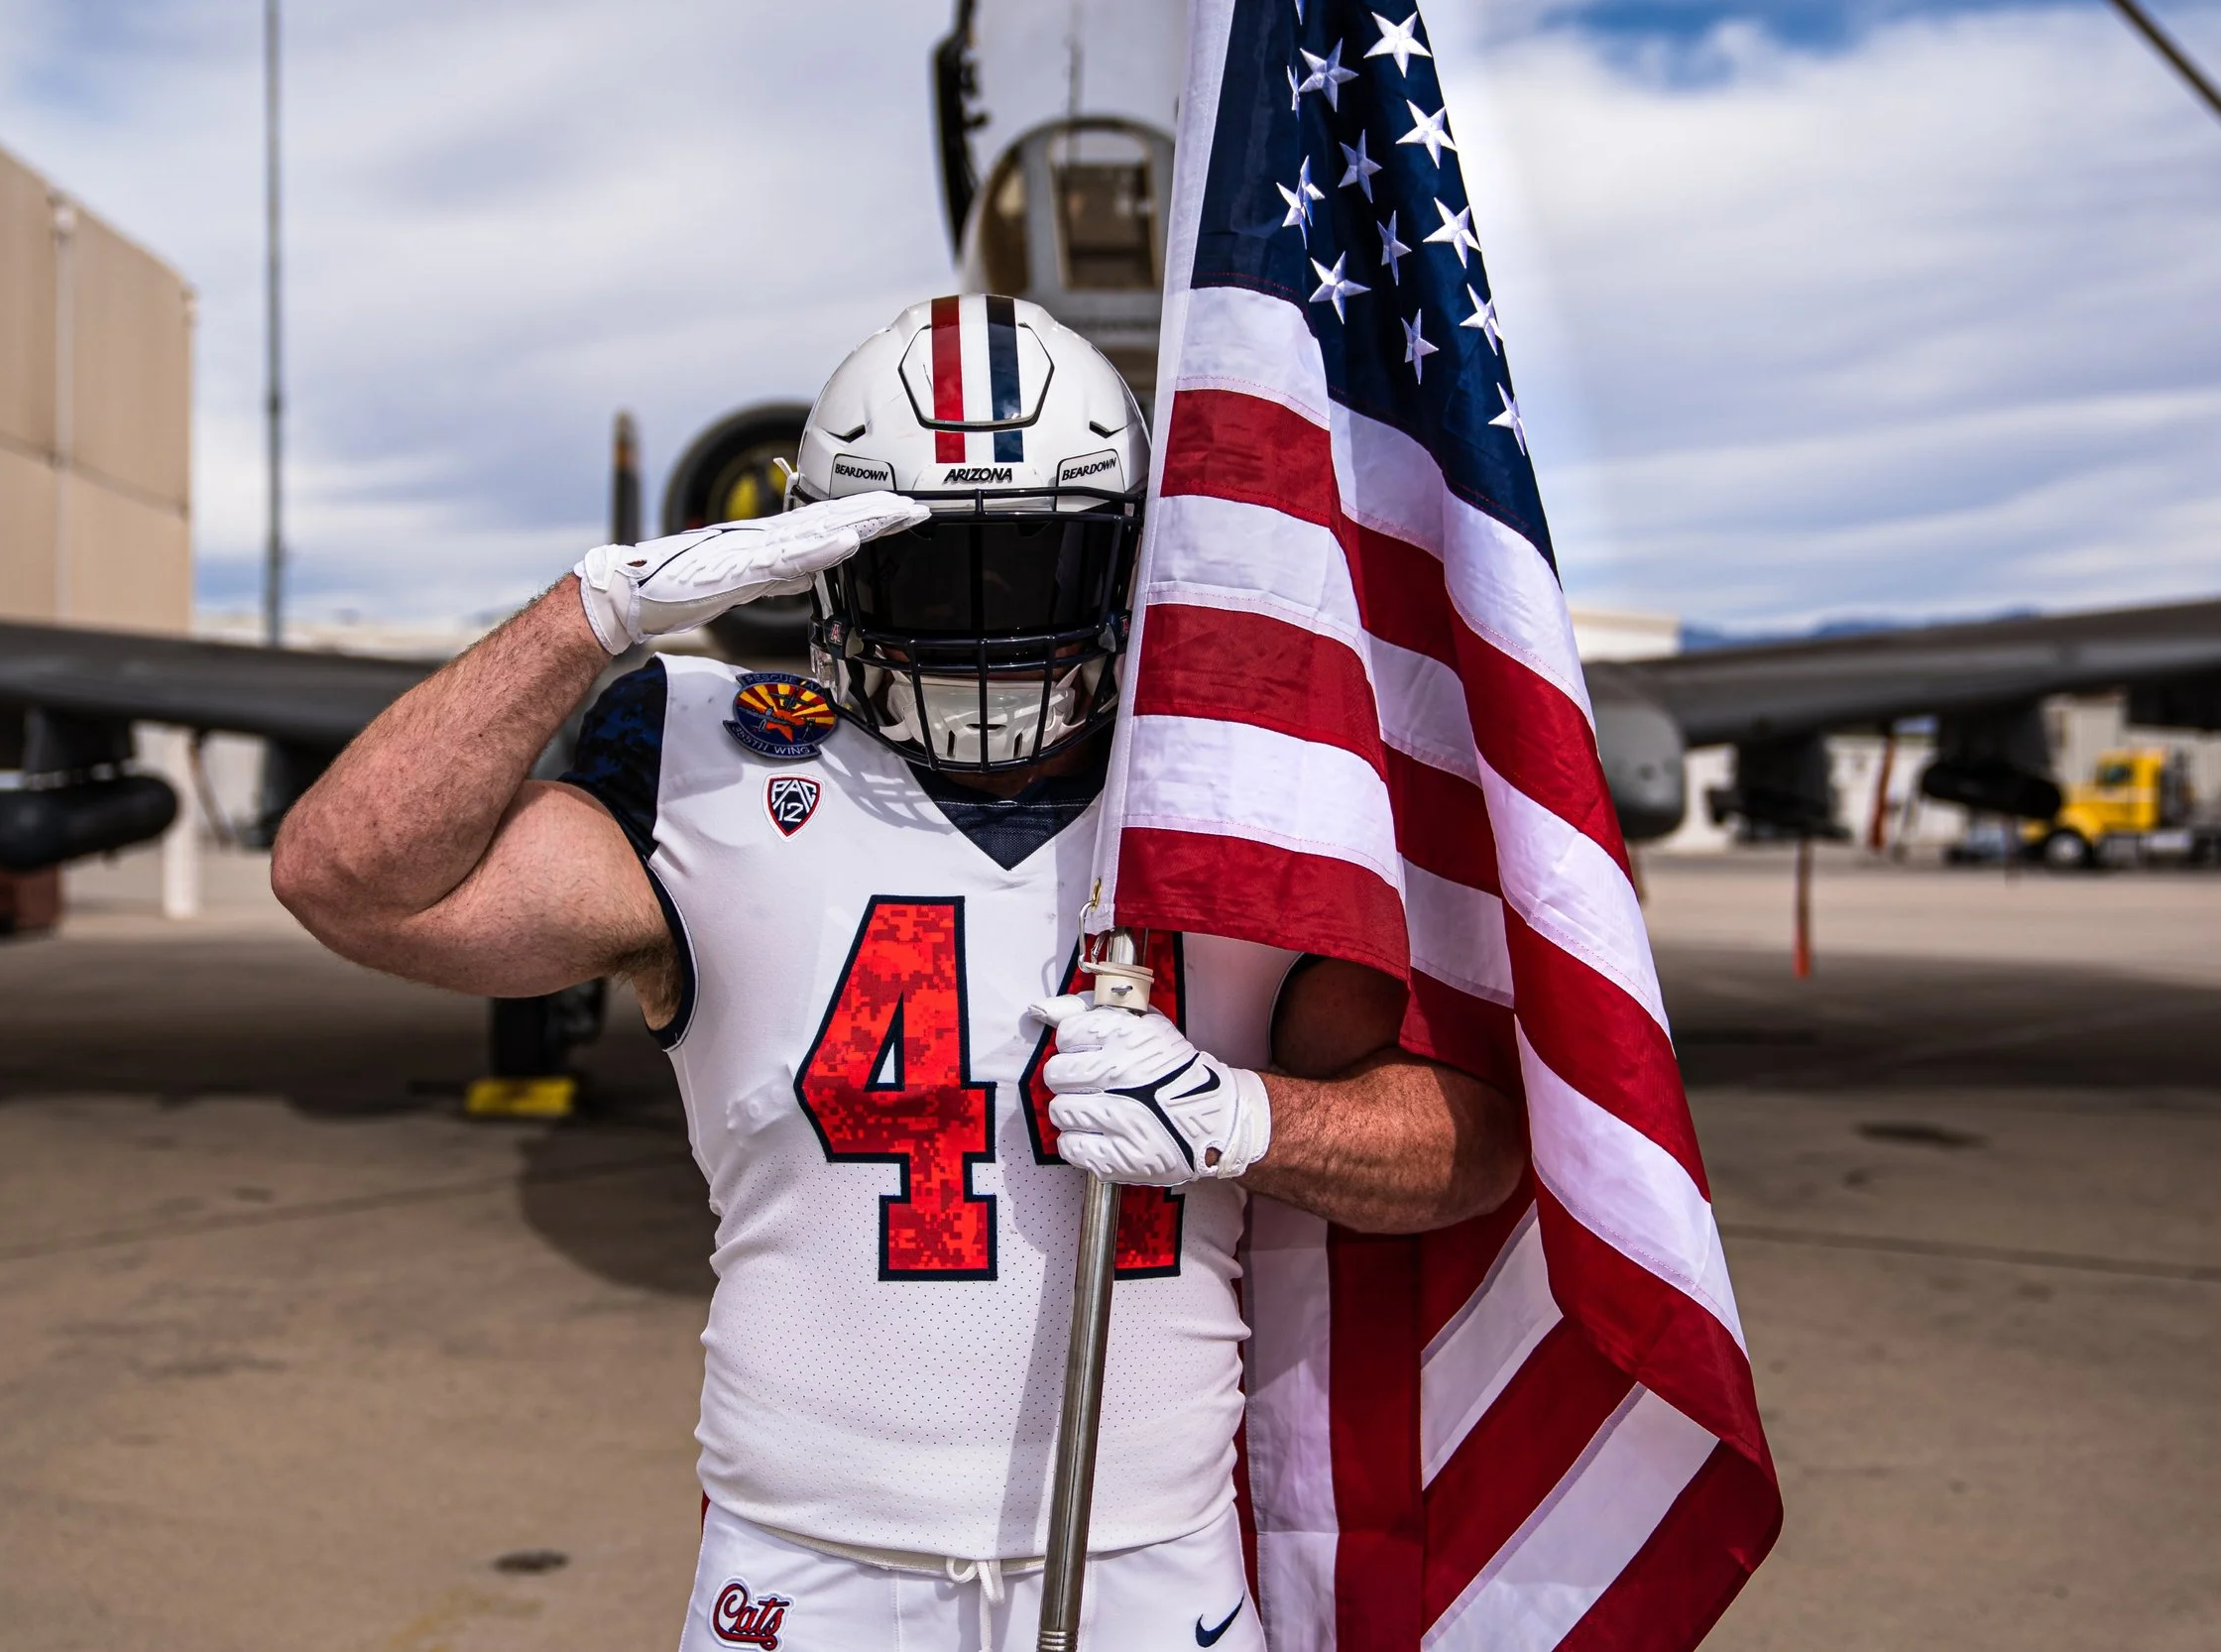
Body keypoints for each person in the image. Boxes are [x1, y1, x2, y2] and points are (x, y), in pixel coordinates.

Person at [272, 295, 1524, 1652]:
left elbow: (1473, 1145)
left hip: (1146, 1571)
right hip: (806, 1574)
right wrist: (591, 614)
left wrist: (1248, 1116)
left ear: (1123, 563)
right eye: (935, 575)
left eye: (1034, 568)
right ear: (828, 560)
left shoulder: (1221, 802)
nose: (988, 628)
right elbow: (345, 875)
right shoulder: (706, 762)